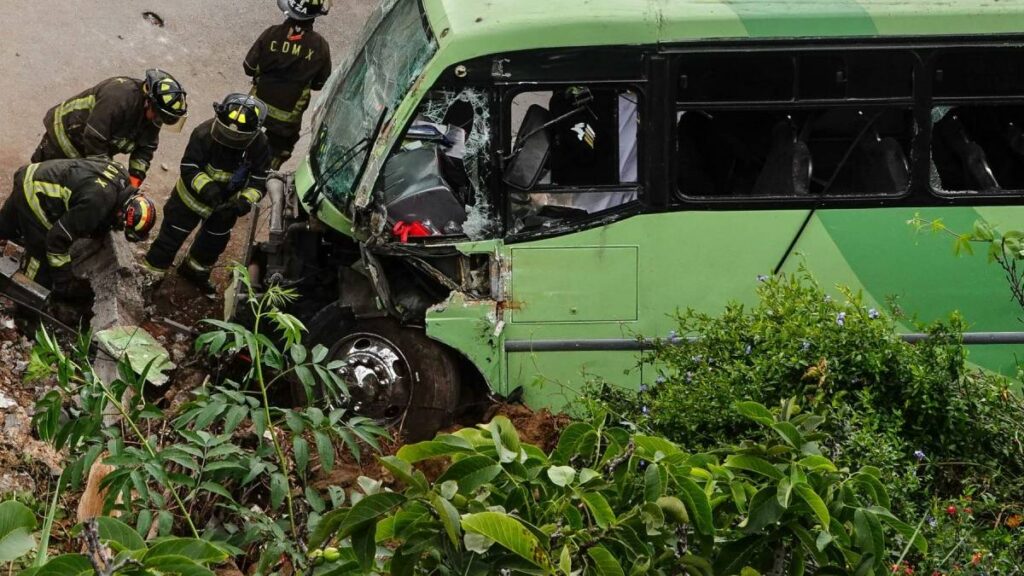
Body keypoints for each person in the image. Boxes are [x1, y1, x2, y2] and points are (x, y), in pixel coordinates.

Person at [143, 94, 271, 293]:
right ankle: (150, 278)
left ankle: (194, 272)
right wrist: (207, 188)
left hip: (225, 209)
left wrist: (242, 202)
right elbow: (189, 165)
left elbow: (259, 179)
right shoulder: (204, 132)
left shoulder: (259, 144)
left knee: (211, 245)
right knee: (168, 241)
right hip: (188, 202)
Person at [0, 158, 156, 297]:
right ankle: (27, 306)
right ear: (122, 215)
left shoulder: (120, 173)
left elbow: (92, 166)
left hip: (35, 174)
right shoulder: (96, 204)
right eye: (123, 227)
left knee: (5, 225)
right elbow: (56, 241)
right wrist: (64, 283)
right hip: (35, 193)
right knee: (40, 256)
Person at [32, 70, 188, 189]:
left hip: (88, 149)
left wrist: (133, 183)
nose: (158, 122)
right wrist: (107, 174)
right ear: (149, 102)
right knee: (41, 180)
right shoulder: (119, 98)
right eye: (159, 117)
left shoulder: (154, 115)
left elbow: (145, 149)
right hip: (63, 136)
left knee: (70, 187)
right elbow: (94, 139)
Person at [244, 0, 332, 169]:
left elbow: (248, 67)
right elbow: (320, 84)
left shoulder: (271, 33)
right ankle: (266, 174)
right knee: (281, 148)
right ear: (314, 16)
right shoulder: (320, 46)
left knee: (242, 133)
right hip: (287, 121)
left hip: (256, 107)